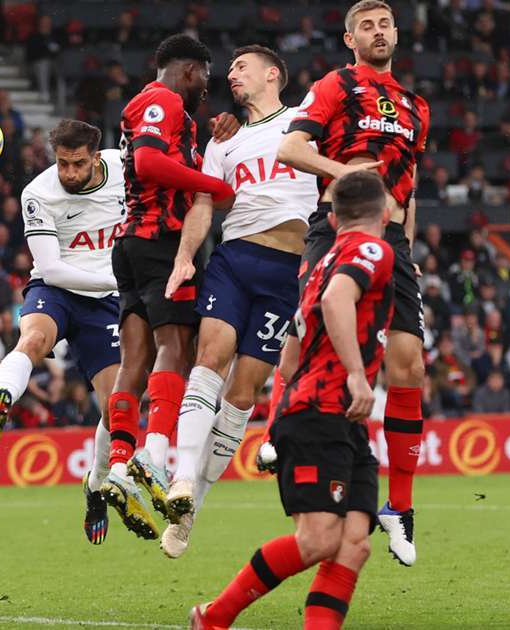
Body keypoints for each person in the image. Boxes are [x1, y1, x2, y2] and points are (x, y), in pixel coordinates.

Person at [191, 170, 395, 630]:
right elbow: (339, 300)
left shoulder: (319, 262)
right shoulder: (370, 250)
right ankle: (214, 618)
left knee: (354, 542)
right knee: (318, 540)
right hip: (321, 411)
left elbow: (289, 357)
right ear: (384, 212)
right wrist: (358, 378)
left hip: (333, 416)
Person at [273, 0, 430, 567]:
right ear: (349, 39)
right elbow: (290, 148)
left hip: (394, 241)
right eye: (367, 25)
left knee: (409, 364)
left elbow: (408, 187)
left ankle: (401, 507)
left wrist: (408, 248)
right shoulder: (337, 85)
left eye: (385, 23)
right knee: (304, 343)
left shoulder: (416, 106)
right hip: (334, 225)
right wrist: (350, 176)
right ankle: (275, 434)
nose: (379, 31)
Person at [159, 45, 316, 558]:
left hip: (288, 272)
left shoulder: (306, 120)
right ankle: (182, 478)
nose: (231, 74)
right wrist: (186, 256)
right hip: (234, 260)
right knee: (209, 358)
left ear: (273, 74)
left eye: (241, 66)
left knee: (244, 392)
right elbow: (204, 203)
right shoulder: (223, 141)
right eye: (229, 69)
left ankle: (191, 510)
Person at [0, 119, 159, 543]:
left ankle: (96, 487)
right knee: (33, 339)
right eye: (63, 164)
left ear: (96, 156)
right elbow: (53, 267)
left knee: (117, 409)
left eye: (78, 164)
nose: (70, 173)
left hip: (107, 303)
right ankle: (1, 397)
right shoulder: (39, 193)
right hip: (58, 288)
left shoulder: (124, 168)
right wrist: (121, 283)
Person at [105, 34, 236, 531]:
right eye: (205, 76)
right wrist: (213, 186)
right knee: (175, 347)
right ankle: (154, 457)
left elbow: (166, 160)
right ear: (188, 70)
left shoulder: (151, 106)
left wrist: (208, 144)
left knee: (133, 359)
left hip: (131, 244)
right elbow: (148, 162)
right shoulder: (161, 99)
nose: (208, 87)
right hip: (162, 243)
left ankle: (120, 464)